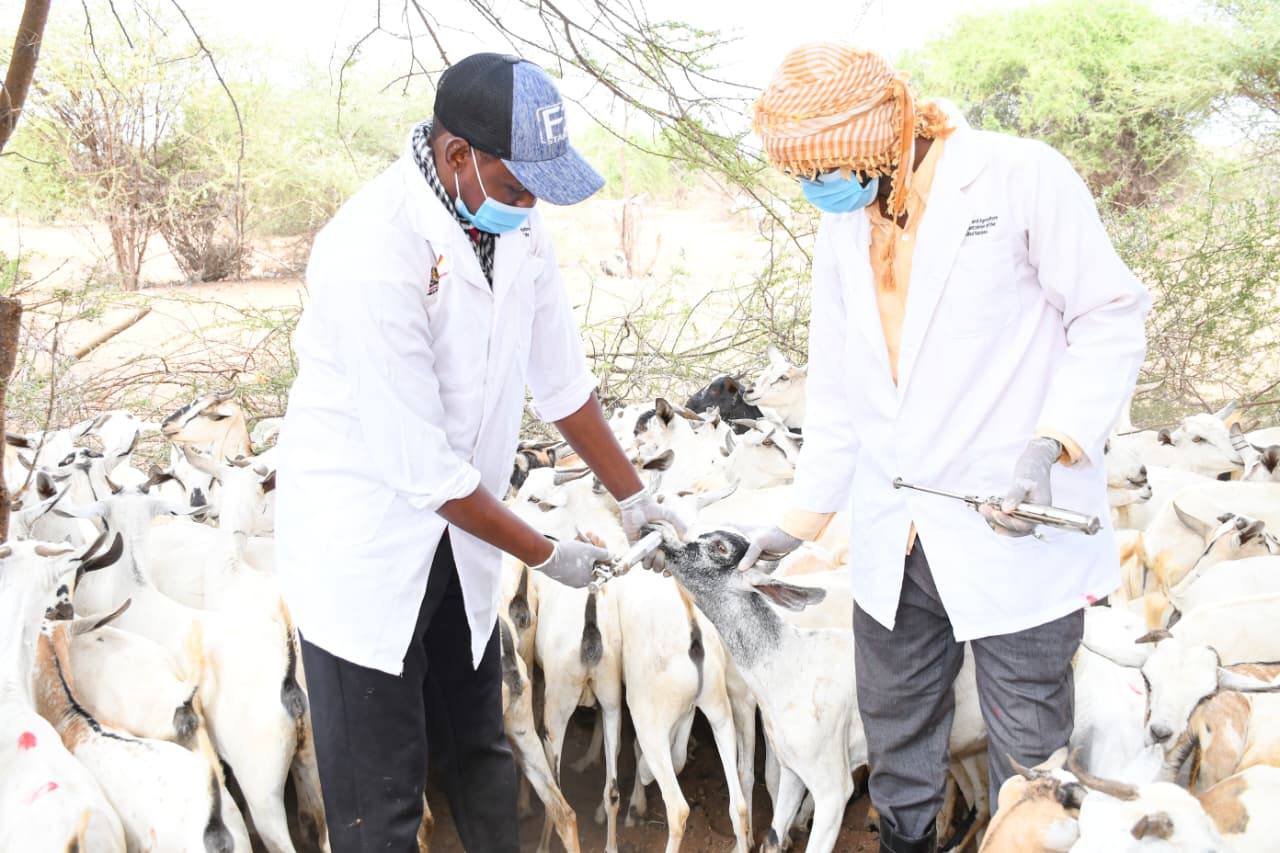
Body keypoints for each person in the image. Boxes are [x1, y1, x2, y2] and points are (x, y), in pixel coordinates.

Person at [739, 44, 1150, 853]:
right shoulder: (844, 226)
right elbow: (840, 385)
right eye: (803, 173)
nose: (817, 187)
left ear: (884, 133)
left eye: (826, 167)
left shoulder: (1019, 177)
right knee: (895, 733)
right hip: (894, 530)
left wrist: (1051, 445)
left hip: (1012, 521)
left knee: (1027, 746)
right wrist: (800, 523)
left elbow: (1109, 314)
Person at [274, 52, 683, 852]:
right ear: (457, 153)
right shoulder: (372, 249)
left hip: (460, 534)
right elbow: (421, 467)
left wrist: (634, 496)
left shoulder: (517, 226)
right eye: (519, 185)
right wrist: (545, 553)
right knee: (381, 806)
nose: (531, 205)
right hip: (366, 546)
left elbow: (561, 380)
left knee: (482, 755)